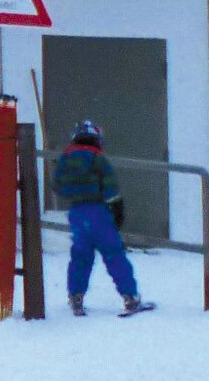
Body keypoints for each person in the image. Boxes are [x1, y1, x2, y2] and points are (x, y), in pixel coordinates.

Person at [52, 120, 149, 316]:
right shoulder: (98, 158)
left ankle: (76, 297)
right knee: (114, 254)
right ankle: (130, 296)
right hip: (98, 211)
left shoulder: (65, 157)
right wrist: (117, 207)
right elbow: (110, 186)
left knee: (80, 257)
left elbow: (58, 186)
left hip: (77, 213)